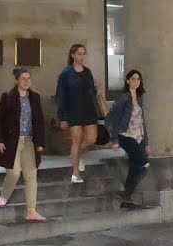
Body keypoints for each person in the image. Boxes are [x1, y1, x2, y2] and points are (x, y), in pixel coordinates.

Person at [0, 68, 47, 222]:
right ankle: (5, 194)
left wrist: (40, 142)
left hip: (29, 141)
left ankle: (31, 210)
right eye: (23, 78)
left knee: (31, 174)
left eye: (28, 78)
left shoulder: (35, 98)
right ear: (17, 80)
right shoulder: (8, 97)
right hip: (12, 141)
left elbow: (39, 121)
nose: (26, 81)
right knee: (14, 172)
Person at [55, 44, 100, 184]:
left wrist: (95, 88)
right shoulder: (65, 74)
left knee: (92, 138)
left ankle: (76, 155)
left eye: (84, 53)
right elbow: (60, 97)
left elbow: (91, 93)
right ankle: (75, 173)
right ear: (73, 55)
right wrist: (62, 117)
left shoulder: (88, 72)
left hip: (88, 110)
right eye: (79, 54)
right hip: (73, 111)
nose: (82, 56)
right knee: (76, 140)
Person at [107, 69, 151, 209]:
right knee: (143, 164)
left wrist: (146, 142)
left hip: (138, 136)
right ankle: (126, 193)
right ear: (127, 81)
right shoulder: (124, 98)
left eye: (138, 79)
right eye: (133, 78)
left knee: (136, 165)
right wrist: (115, 140)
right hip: (126, 135)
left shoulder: (139, 98)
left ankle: (126, 197)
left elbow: (141, 121)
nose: (136, 81)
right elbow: (115, 119)